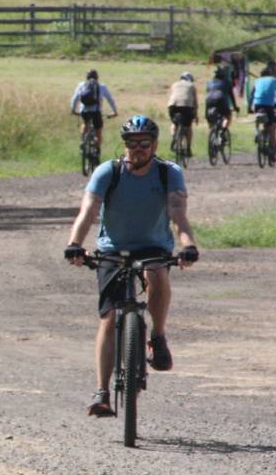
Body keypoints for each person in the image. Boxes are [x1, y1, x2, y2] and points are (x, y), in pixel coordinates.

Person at [63, 116, 199, 417]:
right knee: (109, 317)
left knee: (157, 274)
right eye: (131, 144)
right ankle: (102, 391)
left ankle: (158, 337)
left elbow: (178, 213)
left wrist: (188, 245)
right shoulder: (108, 171)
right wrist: (75, 243)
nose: (136, 149)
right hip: (113, 249)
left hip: (153, 246)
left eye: (144, 143)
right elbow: (88, 210)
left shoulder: (168, 173)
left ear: (154, 145)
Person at [70, 69, 118, 153]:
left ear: (86, 77)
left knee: (85, 124)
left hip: (84, 111)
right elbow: (110, 100)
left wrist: (73, 110)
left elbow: (75, 99)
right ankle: (98, 150)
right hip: (96, 112)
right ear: (97, 77)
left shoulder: (81, 85)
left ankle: (83, 142)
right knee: (98, 131)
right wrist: (115, 112)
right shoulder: (102, 86)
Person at [251, 66, 276, 163]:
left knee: (257, 121)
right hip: (268, 106)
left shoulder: (257, 81)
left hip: (257, 104)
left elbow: (252, 94)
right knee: (272, 128)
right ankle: (272, 153)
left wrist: (250, 106)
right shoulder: (274, 80)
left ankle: (257, 134)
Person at [166, 72, 198, 156]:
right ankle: (188, 148)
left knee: (174, 123)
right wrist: (196, 115)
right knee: (188, 127)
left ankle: (174, 136)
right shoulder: (191, 86)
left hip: (172, 106)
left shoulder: (174, 84)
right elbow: (195, 102)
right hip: (187, 106)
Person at [204, 66, 238, 132]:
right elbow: (231, 96)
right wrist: (235, 107)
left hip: (208, 101)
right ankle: (224, 129)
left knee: (209, 116)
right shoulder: (227, 82)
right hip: (220, 100)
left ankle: (211, 131)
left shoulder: (209, 83)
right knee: (228, 115)